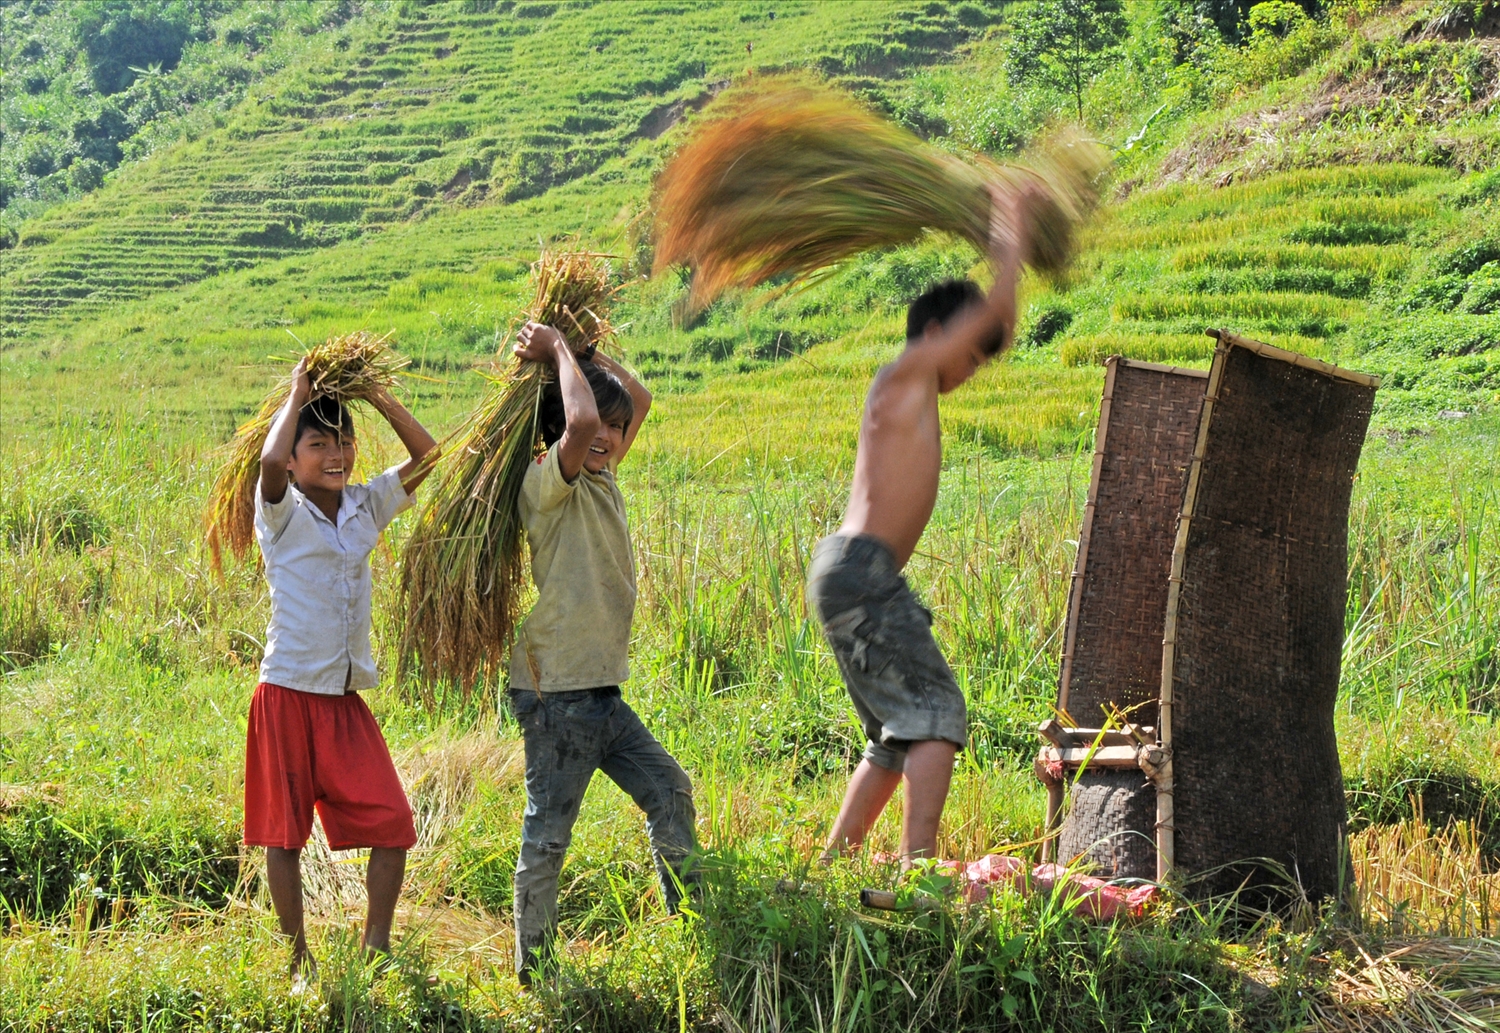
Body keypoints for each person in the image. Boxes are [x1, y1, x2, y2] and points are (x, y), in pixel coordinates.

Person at [808, 187, 1031, 866]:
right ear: (937, 335)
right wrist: (1012, 221)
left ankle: (833, 864)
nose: (969, 370)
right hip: (862, 570)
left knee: (895, 734)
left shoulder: (915, 387)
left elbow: (995, 324)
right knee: (937, 712)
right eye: (970, 354)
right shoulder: (905, 373)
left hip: (855, 572)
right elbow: (996, 309)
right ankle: (919, 869)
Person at [507, 322, 698, 986]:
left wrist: (588, 355)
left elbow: (637, 398)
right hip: (556, 693)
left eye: (614, 433)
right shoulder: (546, 485)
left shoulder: (602, 474)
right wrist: (559, 349)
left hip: (600, 692)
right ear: (563, 434)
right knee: (549, 834)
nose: (609, 437)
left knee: (669, 789)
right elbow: (585, 417)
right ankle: (535, 969)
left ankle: (693, 925)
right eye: (595, 431)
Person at [244, 359, 438, 982]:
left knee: (393, 823)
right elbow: (270, 467)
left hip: (345, 699)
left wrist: (379, 398)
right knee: (285, 836)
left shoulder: (363, 506)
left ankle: (375, 948)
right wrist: (299, 393)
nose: (335, 453)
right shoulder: (279, 512)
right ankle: (297, 957)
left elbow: (431, 457)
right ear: (296, 456)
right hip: (287, 694)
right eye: (317, 442)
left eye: (342, 441)